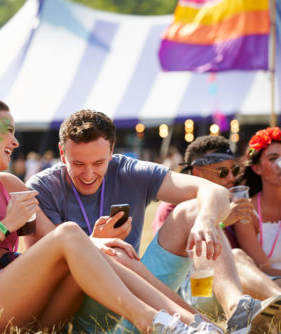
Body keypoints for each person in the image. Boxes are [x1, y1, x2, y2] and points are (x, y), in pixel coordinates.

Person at [0, 95, 222, 334]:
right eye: (9, 130)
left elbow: (54, 246)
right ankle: (151, 322)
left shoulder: (11, 185)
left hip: (33, 313)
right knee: (74, 234)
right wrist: (5, 227)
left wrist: (99, 243)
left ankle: (193, 323)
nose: (15, 142)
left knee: (108, 250)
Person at [25, 110, 259, 333]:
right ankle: (198, 323)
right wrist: (94, 244)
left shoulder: (128, 170)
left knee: (193, 211)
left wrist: (206, 222)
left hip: (142, 295)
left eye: (98, 163)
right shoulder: (41, 188)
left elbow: (214, 192)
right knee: (114, 253)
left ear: (112, 151)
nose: (88, 175)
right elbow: (41, 272)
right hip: (82, 310)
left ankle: (237, 312)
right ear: (62, 152)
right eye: (77, 164)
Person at [152, 135, 281, 332]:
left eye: (234, 170)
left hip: (232, 287)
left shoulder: (234, 202)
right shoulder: (174, 207)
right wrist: (222, 221)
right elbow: (172, 260)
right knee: (236, 256)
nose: (230, 178)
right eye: (222, 172)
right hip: (196, 288)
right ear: (197, 173)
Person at [235, 127, 281, 288]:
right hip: (269, 286)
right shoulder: (246, 211)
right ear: (257, 168)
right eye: (273, 158)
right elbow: (263, 269)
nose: (280, 164)